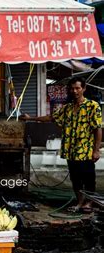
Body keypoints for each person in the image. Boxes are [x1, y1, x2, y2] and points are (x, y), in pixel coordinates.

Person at [20, 77, 102, 212]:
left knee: (88, 178)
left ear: (84, 88)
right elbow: (51, 118)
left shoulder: (93, 106)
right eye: (72, 88)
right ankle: (80, 202)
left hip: (86, 150)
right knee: (75, 178)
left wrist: (96, 150)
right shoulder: (67, 108)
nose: (74, 91)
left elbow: (97, 129)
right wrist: (31, 118)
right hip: (71, 150)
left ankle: (89, 203)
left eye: (77, 88)